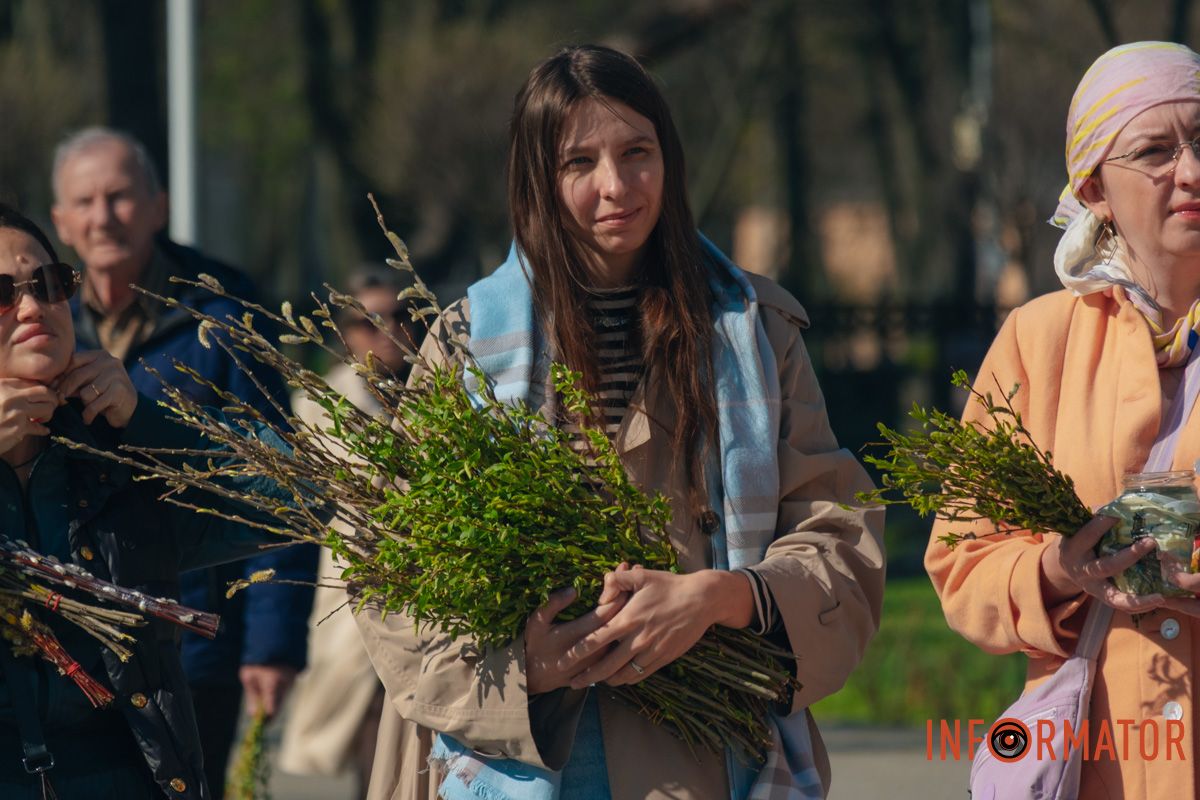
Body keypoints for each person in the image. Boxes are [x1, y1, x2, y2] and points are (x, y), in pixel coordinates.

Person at [354, 45, 885, 799]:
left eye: (637, 152)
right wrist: (521, 670)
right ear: (539, 180)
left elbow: (842, 534)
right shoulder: (467, 346)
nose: (616, 186)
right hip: (519, 757)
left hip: (708, 755)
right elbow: (391, 567)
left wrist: (724, 597)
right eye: (579, 164)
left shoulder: (754, 332)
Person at [925, 41, 1200, 798]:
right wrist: (1057, 571)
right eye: (1154, 149)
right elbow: (961, 561)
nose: (1192, 171)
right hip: (1098, 759)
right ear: (1095, 188)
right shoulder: (1039, 339)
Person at [0, 202, 305, 799]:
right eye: (2, 293)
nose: (33, 306)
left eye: (49, 283)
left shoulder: (115, 453)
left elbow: (299, 497)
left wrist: (148, 419)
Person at [278, 265, 421, 798]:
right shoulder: (313, 409)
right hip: (347, 604)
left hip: (430, 607)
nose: (385, 331)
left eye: (399, 316)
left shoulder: (444, 403)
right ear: (343, 330)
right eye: (368, 320)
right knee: (358, 749)